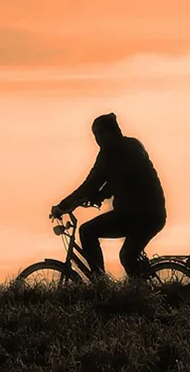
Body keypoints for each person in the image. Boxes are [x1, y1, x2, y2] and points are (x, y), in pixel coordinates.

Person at [52, 113, 167, 279]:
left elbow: (93, 183)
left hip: (140, 215)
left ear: (110, 133)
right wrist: (97, 196)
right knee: (128, 256)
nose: (97, 140)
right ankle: (139, 290)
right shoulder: (130, 146)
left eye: (98, 135)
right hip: (146, 214)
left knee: (88, 231)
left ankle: (101, 283)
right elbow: (116, 180)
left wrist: (63, 206)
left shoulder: (117, 153)